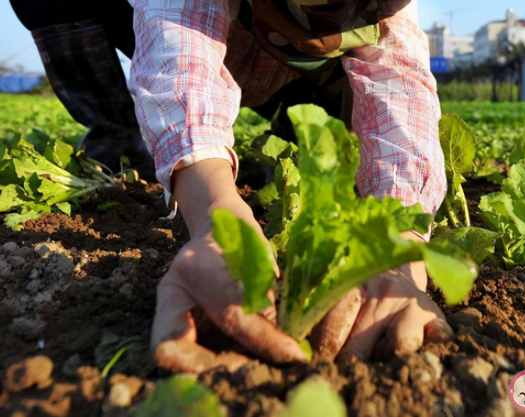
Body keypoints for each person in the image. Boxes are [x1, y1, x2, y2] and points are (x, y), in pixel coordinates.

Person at [11, 0, 453, 373]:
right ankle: (119, 133)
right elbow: (179, 54)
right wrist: (215, 210)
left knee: (347, 141)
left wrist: (400, 251)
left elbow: (400, 89)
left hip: (307, 78)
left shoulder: (386, 11)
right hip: (224, 37)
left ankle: (319, 143)